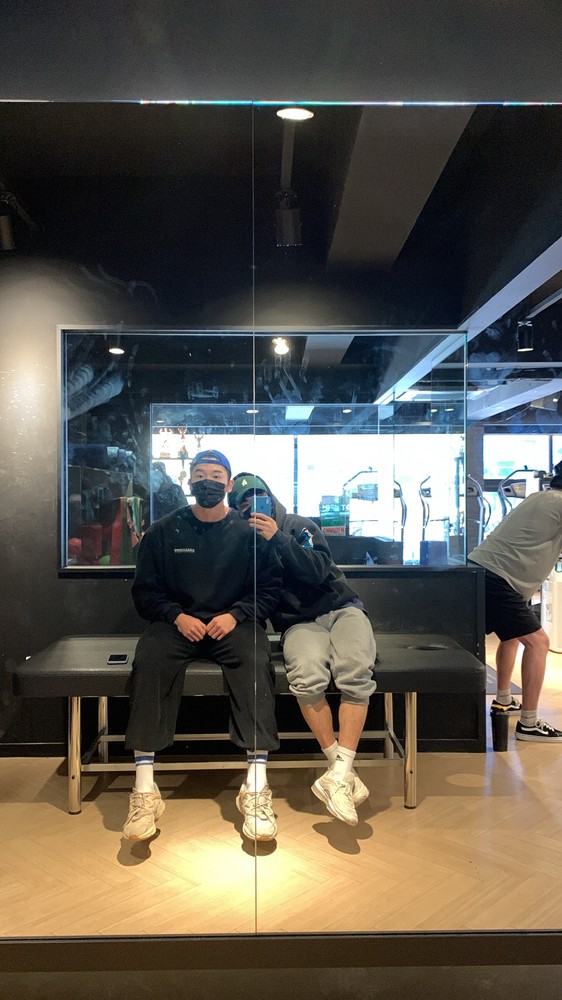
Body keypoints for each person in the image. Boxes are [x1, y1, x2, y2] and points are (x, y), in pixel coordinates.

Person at [123, 450, 282, 843]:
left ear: (228, 484)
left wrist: (237, 614)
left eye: (215, 475)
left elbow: (268, 591)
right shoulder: (163, 531)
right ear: (189, 481)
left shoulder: (249, 534)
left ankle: (256, 786)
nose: (207, 481)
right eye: (199, 474)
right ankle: (144, 789)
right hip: (178, 625)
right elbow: (145, 593)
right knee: (150, 659)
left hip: (233, 625)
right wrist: (176, 616)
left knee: (256, 661)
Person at [229, 473, 377, 827]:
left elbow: (316, 570)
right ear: (236, 511)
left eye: (258, 497)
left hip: (342, 609)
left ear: (271, 497)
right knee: (306, 677)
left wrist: (277, 538)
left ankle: (339, 773)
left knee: (355, 671)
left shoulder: (298, 526)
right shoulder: (243, 544)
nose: (252, 506)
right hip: (296, 624)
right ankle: (340, 773)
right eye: (243, 503)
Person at [468, 463, 562, 742]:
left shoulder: (540, 497)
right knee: (538, 643)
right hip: (499, 579)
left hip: (487, 572)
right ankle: (529, 724)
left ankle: (504, 699)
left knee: (510, 637)